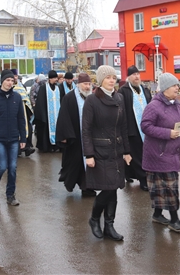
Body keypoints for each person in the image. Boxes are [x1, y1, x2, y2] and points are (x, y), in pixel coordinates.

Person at [84, 65, 131, 241]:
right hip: (100, 151)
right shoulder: (92, 100)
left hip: (116, 151)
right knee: (108, 189)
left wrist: (127, 150)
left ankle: (109, 226)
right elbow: (86, 129)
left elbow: (123, 127)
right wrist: (89, 154)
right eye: (108, 77)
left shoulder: (119, 97)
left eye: (114, 77)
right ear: (100, 80)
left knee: (114, 189)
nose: (112, 80)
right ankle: (95, 218)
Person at [141, 73, 180, 233]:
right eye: (174, 85)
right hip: (157, 154)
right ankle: (174, 220)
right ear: (166, 88)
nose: (177, 88)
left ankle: (157, 214)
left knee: (160, 188)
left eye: (177, 85)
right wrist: (167, 133)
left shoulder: (178, 105)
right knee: (169, 187)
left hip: (172, 153)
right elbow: (145, 126)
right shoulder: (154, 106)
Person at [0, 69, 27, 206]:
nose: (10, 83)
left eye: (12, 80)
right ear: (2, 81)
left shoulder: (16, 97)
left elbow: (21, 119)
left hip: (14, 138)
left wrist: (23, 138)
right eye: (7, 80)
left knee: (13, 167)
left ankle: (10, 195)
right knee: (2, 166)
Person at [56, 73, 95, 196]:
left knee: (90, 163)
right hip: (75, 136)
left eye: (89, 84)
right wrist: (65, 135)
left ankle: (87, 188)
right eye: (85, 84)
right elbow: (63, 117)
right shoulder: (69, 98)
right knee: (75, 163)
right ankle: (70, 183)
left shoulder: (93, 98)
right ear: (78, 85)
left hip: (90, 137)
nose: (87, 87)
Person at [118, 65, 152, 190]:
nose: (137, 76)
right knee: (137, 155)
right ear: (129, 77)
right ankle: (143, 179)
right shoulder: (123, 91)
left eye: (138, 74)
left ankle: (128, 172)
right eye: (134, 74)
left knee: (143, 153)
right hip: (132, 129)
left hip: (146, 128)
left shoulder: (144, 89)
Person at [34, 70, 61, 153]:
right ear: (50, 78)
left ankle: (56, 146)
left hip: (57, 115)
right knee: (46, 131)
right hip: (47, 115)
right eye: (54, 78)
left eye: (56, 78)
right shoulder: (43, 88)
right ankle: (47, 147)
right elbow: (40, 102)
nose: (56, 79)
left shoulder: (57, 88)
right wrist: (43, 115)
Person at [12, 69, 36, 156]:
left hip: (24, 111)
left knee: (28, 129)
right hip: (13, 112)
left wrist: (29, 112)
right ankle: (18, 149)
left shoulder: (21, 86)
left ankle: (27, 147)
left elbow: (26, 98)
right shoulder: (8, 87)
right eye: (13, 76)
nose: (15, 78)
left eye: (16, 76)